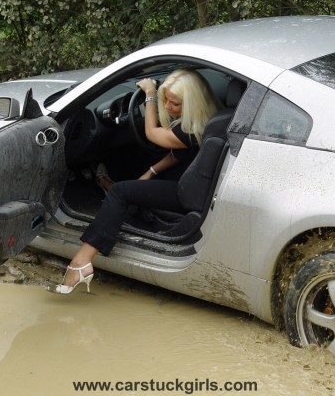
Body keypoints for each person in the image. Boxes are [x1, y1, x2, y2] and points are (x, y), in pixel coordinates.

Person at [47, 68, 222, 295]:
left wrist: (150, 94)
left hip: (187, 193)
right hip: (193, 177)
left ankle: (80, 263)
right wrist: (150, 171)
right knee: (139, 166)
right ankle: (109, 187)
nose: (168, 107)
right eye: (164, 100)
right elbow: (180, 154)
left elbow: (151, 132)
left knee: (120, 191)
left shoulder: (186, 130)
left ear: (193, 103)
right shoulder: (207, 119)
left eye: (175, 103)